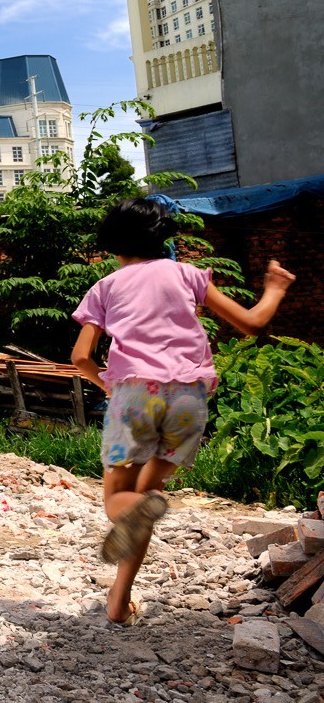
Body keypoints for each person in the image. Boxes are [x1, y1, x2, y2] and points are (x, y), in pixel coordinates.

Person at [70, 196, 294, 625]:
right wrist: (275, 289)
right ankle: (118, 601)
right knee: (143, 498)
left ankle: (135, 515)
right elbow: (252, 323)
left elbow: (81, 357)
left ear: (112, 243)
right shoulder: (187, 273)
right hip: (190, 397)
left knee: (120, 500)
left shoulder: (106, 287)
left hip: (136, 397)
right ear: (162, 238)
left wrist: (108, 384)